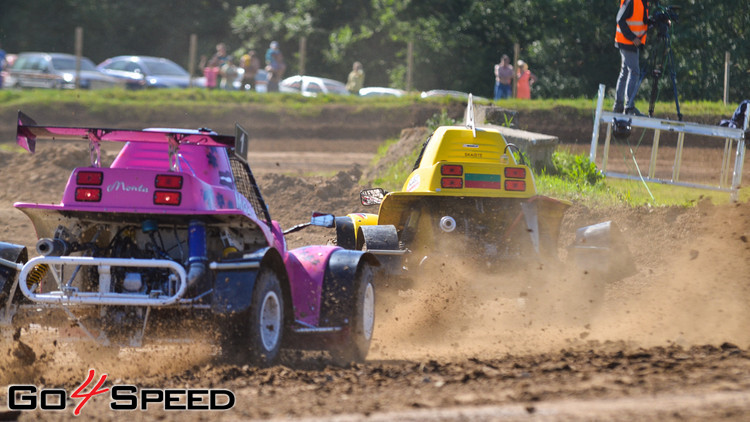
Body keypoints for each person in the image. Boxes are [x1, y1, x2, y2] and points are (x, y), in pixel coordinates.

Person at [613, 0, 649, 116]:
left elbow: (642, 20)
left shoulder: (643, 2)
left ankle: (619, 105)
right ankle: (629, 106)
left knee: (625, 71)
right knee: (634, 72)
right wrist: (632, 37)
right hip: (628, 41)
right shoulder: (632, 1)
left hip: (630, 42)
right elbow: (620, 19)